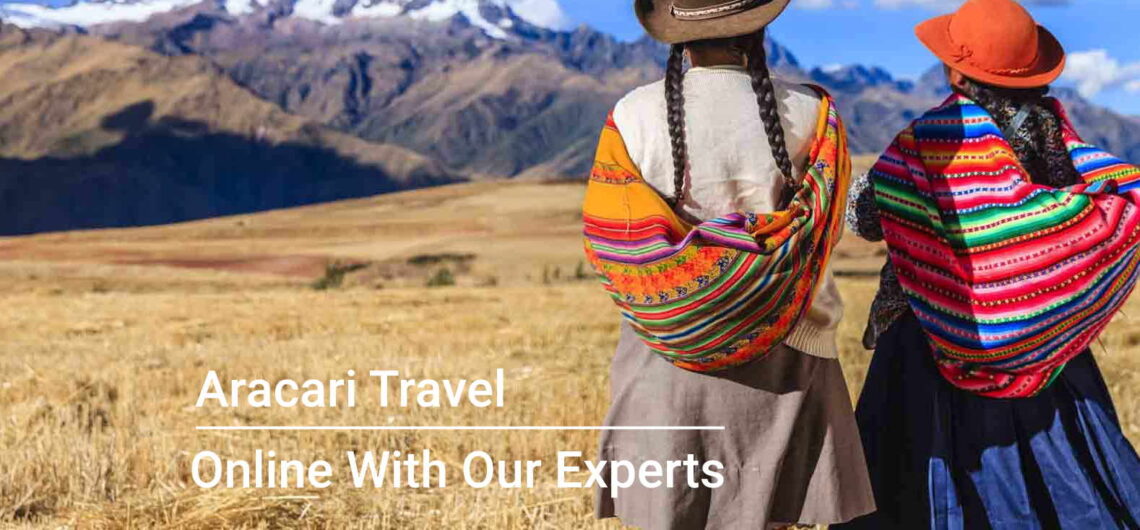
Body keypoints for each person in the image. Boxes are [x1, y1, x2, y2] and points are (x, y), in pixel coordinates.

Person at [838, 0, 1140, 527]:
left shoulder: (931, 137)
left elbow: (868, 217)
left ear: (956, 69)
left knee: (905, 478)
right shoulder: (1057, 136)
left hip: (925, 334)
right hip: (1038, 342)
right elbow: (1084, 207)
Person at [581, 0, 875, 527]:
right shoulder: (814, 113)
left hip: (666, 352)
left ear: (676, 35)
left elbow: (614, 238)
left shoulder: (630, 115)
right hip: (791, 352)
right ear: (757, 26)